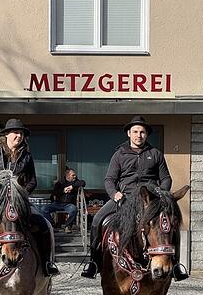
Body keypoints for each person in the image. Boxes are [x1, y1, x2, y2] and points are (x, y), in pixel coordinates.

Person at [81, 116, 189, 280]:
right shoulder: (119, 154)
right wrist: (115, 194)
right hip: (125, 197)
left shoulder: (155, 154)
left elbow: (166, 178)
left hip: (150, 199)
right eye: (136, 132)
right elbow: (109, 179)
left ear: (147, 135)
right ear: (129, 134)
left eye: (142, 132)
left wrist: (161, 195)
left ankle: (176, 266)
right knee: (97, 219)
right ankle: (94, 263)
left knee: (170, 226)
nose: (139, 135)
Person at [0, 118, 60, 276]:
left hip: (19, 201)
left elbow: (33, 181)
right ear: (7, 135)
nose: (19, 136)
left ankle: (46, 263)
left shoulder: (27, 157)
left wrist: (20, 194)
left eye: (21, 133)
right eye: (16, 132)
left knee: (44, 225)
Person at [42, 166, 85, 232]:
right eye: (73, 175)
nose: (75, 176)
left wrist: (72, 186)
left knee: (74, 209)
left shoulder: (76, 182)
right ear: (67, 175)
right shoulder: (60, 183)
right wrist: (63, 191)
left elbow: (83, 182)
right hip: (57, 203)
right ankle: (52, 226)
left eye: (75, 175)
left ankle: (68, 226)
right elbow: (54, 192)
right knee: (43, 209)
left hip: (69, 204)